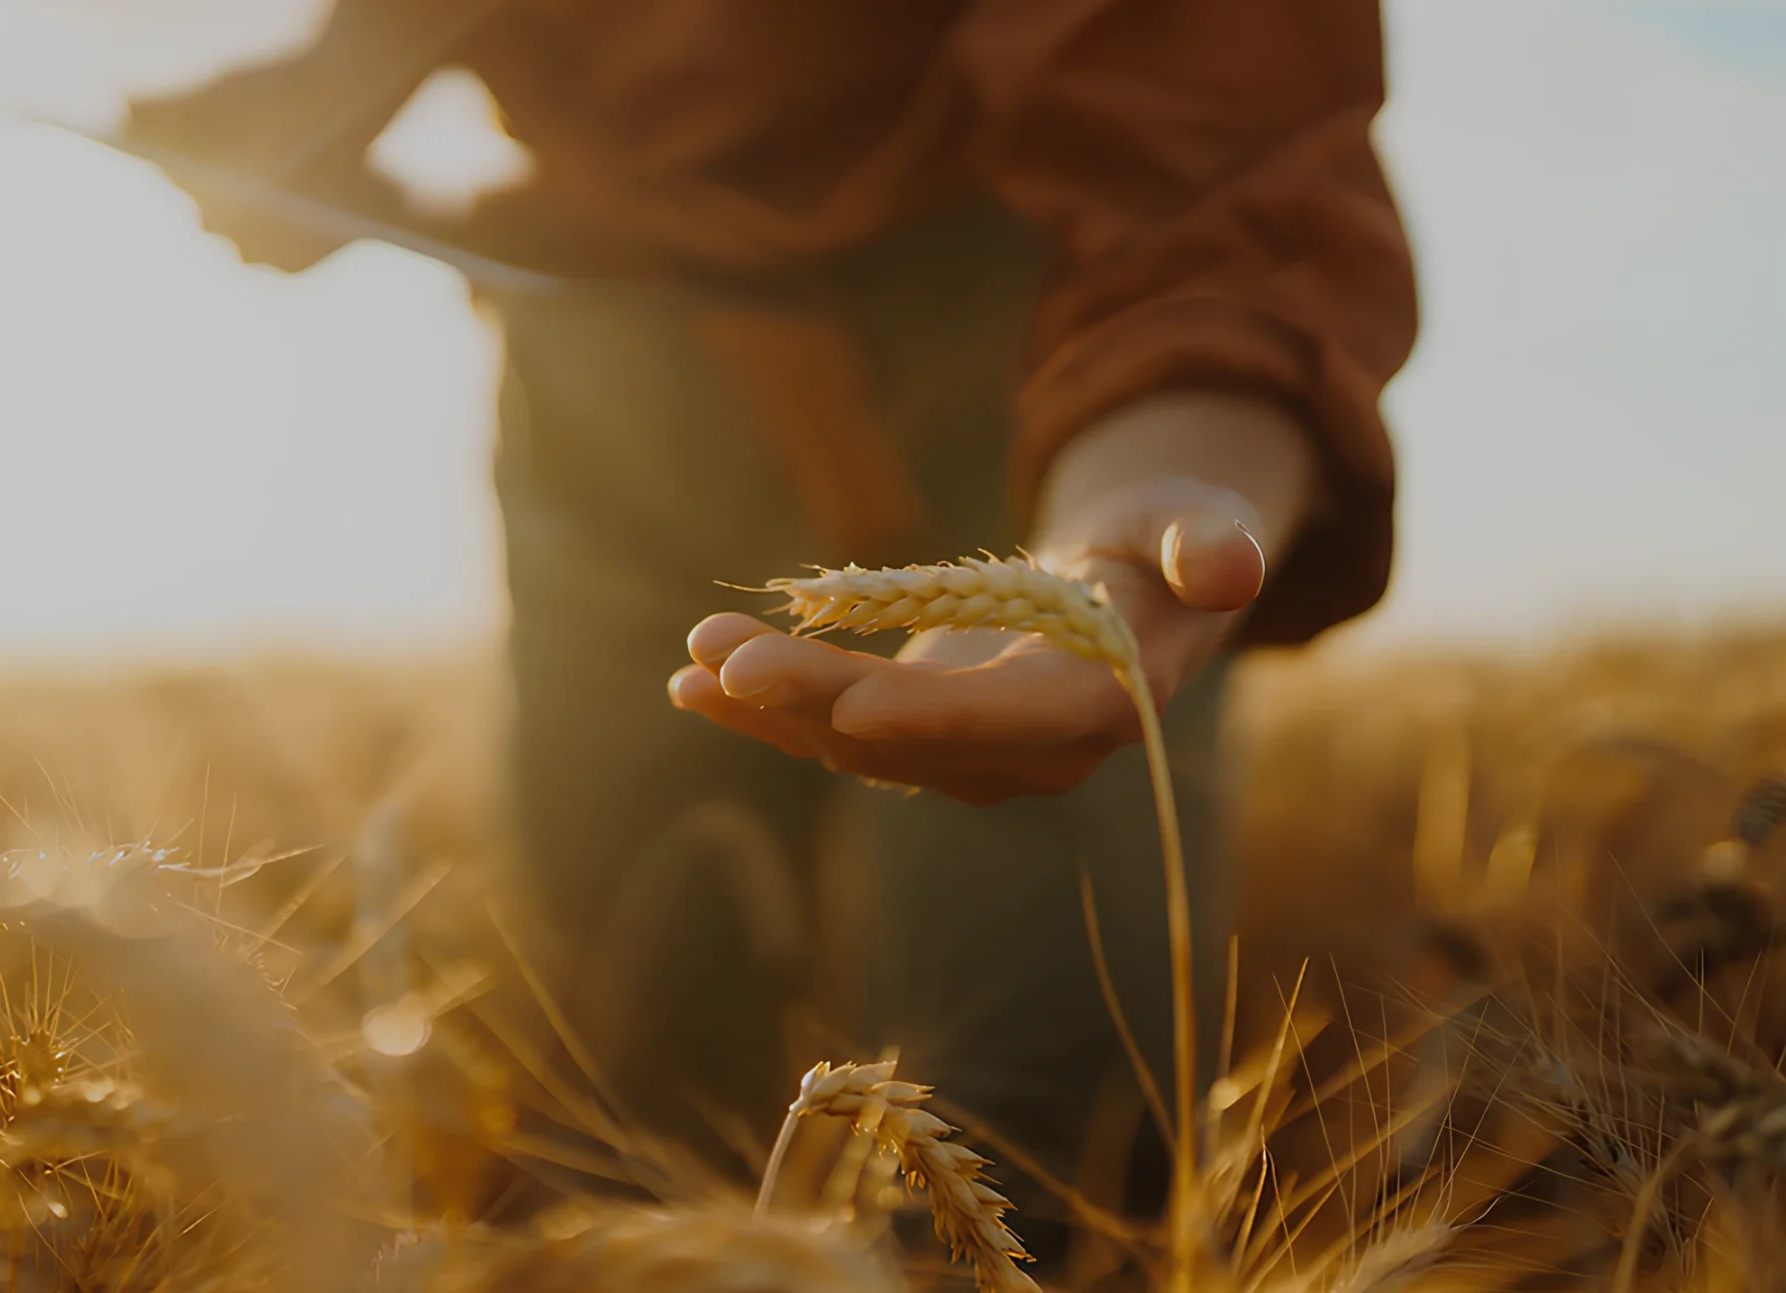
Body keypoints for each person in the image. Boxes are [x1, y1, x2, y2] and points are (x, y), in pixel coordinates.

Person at [121, 0, 1417, 1259]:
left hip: (1030, 364)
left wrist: (1158, 468)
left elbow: (1212, 118)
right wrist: (326, 98)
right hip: (601, 337)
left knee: (1032, 1107)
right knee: (630, 1035)